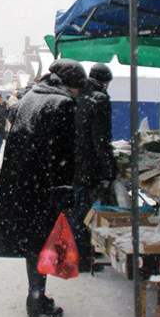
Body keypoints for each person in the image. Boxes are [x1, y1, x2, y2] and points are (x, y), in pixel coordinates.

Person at [0, 60, 86, 317]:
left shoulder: (31, 97)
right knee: (44, 240)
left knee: (34, 241)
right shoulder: (62, 104)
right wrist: (64, 191)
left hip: (22, 184)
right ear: (72, 85)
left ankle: (35, 293)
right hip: (46, 186)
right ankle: (37, 297)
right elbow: (63, 154)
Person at [71, 64, 117, 271]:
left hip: (74, 162)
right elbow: (101, 139)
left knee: (79, 211)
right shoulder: (99, 100)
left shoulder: (78, 95)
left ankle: (83, 251)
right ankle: (83, 256)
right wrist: (109, 168)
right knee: (87, 212)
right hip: (89, 165)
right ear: (105, 81)